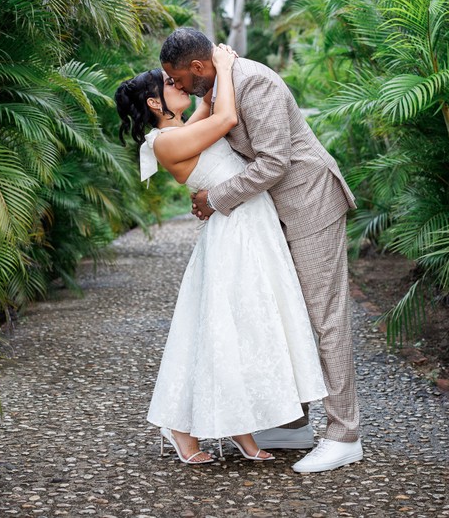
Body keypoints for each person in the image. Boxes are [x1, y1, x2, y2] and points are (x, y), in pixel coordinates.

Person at [160, 28, 362, 474]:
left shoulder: (256, 82)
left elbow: (274, 161)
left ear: (198, 68)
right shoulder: (221, 84)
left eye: (178, 78)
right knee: (279, 312)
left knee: (324, 319)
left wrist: (215, 199)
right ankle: (292, 423)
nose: (176, 86)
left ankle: (345, 435)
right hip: (271, 216)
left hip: (310, 206)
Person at [115, 43, 328, 465]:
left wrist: (215, 71)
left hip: (249, 223)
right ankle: (187, 429)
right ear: (156, 101)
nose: (180, 85)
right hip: (235, 232)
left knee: (248, 327)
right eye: (171, 84)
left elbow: (210, 105)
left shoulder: (181, 126)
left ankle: (238, 425)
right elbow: (225, 117)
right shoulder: (165, 142)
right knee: (232, 327)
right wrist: (227, 66)